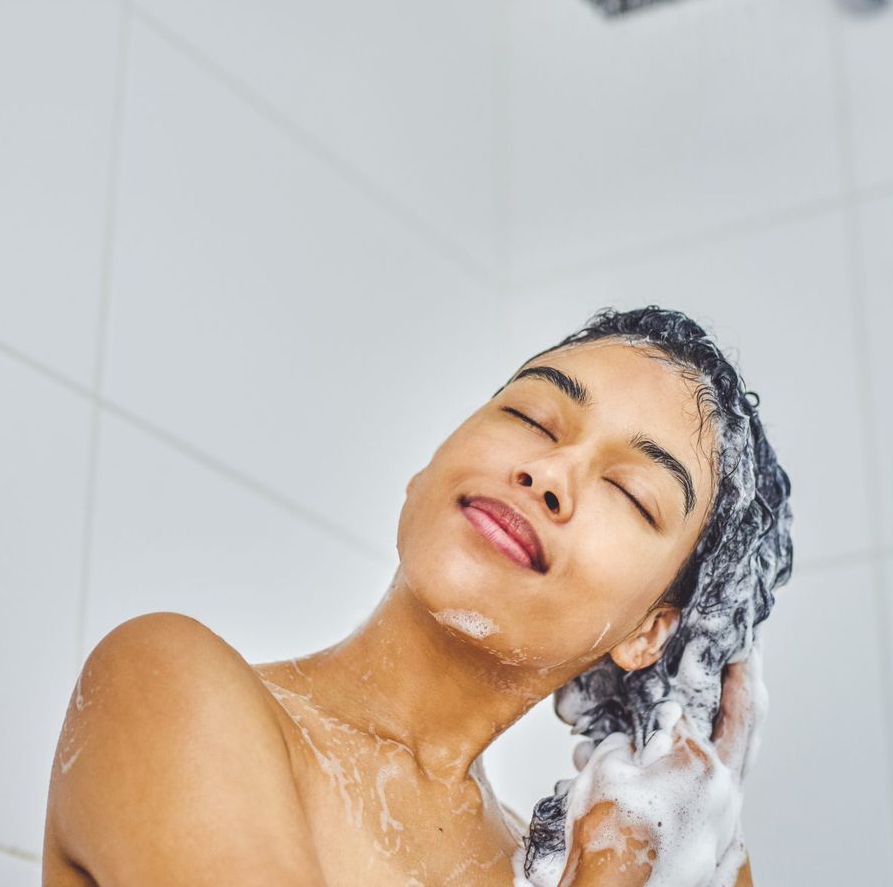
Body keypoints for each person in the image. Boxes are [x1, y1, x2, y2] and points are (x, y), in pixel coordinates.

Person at [42, 305, 793, 886]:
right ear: (430, 469)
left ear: (649, 633)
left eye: (631, 491)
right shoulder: (167, 688)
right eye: (530, 417)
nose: (549, 473)